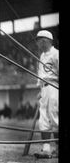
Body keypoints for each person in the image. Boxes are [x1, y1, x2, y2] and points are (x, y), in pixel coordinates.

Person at [33, 30, 59, 159]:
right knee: (43, 119)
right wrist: (40, 90)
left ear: (45, 41)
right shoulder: (42, 56)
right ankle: (46, 149)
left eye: (39, 41)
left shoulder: (56, 54)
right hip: (44, 89)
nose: (38, 44)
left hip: (54, 89)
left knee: (54, 117)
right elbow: (41, 74)